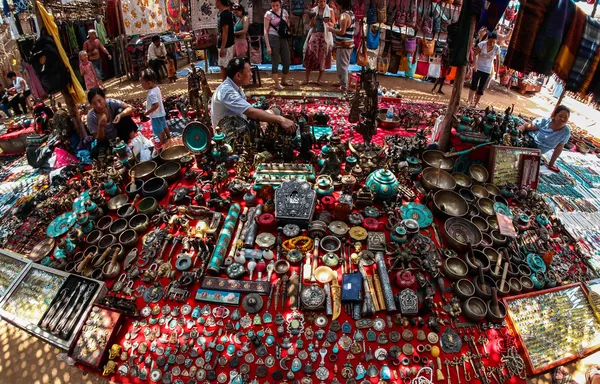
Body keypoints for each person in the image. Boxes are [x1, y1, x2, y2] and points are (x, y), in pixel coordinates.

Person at [211, 57, 296, 132]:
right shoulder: (227, 91)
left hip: (240, 124)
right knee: (276, 119)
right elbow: (250, 111)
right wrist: (280, 120)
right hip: (232, 135)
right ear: (238, 75)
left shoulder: (235, 87)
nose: (251, 74)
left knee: (276, 111)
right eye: (249, 71)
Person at [518, 105, 571, 172]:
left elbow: (559, 148)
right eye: (560, 116)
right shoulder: (544, 121)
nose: (562, 119)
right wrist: (518, 131)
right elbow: (526, 126)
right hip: (528, 140)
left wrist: (551, 164)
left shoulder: (566, 132)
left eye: (565, 117)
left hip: (536, 151)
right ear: (555, 115)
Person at [302, 0, 334, 85]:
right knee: (310, 54)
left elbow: (333, 25)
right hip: (315, 35)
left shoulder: (330, 10)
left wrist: (328, 22)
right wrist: (313, 19)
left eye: (324, 1)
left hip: (325, 36)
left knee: (322, 57)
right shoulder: (313, 10)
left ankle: (319, 79)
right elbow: (311, 25)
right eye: (320, 1)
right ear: (317, 1)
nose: (322, 3)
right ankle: (306, 79)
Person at [264, 0, 293, 90]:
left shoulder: (284, 12)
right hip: (273, 37)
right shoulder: (268, 14)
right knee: (275, 61)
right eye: (273, 5)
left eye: (277, 5)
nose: (275, 7)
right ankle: (276, 84)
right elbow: (265, 30)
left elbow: (287, 24)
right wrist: (268, 46)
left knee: (287, 60)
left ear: (280, 4)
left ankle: (283, 80)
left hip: (283, 37)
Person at [468, 31, 501, 108]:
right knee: (474, 85)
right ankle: (469, 101)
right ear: (488, 39)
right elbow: (475, 55)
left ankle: (476, 104)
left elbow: (498, 60)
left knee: (481, 88)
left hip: (487, 70)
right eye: (490, 41)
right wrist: (474, 65)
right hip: (478, 67)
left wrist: (497, 72)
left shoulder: (497, 48)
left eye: (494, 41)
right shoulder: (482, 44)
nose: (492, 43)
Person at [329, 0, 355, 91]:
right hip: (345, 44)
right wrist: (332, 26)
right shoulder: (350, 13)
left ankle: (344, 87)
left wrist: (331, 30)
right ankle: (342, 83)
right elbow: (341, 28)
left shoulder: (344, 16)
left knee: (343, 66)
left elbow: (342, 31)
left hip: (345, 45)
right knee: (341, 65)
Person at [141, 69, 171, 145]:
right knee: (164, 125)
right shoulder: (156, 88)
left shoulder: (151, 93)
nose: (141, 84)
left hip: (156, 115)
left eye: (142, 82)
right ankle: (169, 137)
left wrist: (147, 112)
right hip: (161, 113)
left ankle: (164, 142)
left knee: (159, 130)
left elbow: (156, 105)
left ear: (148, 82)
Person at [217, 0, 235, 80]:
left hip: (226, 45)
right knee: (224, 66)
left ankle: (226, 86)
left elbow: (225, 32)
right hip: (227, 44)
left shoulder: (225, 15)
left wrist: (223, 47)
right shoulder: (226, 14)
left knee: (225, 67)